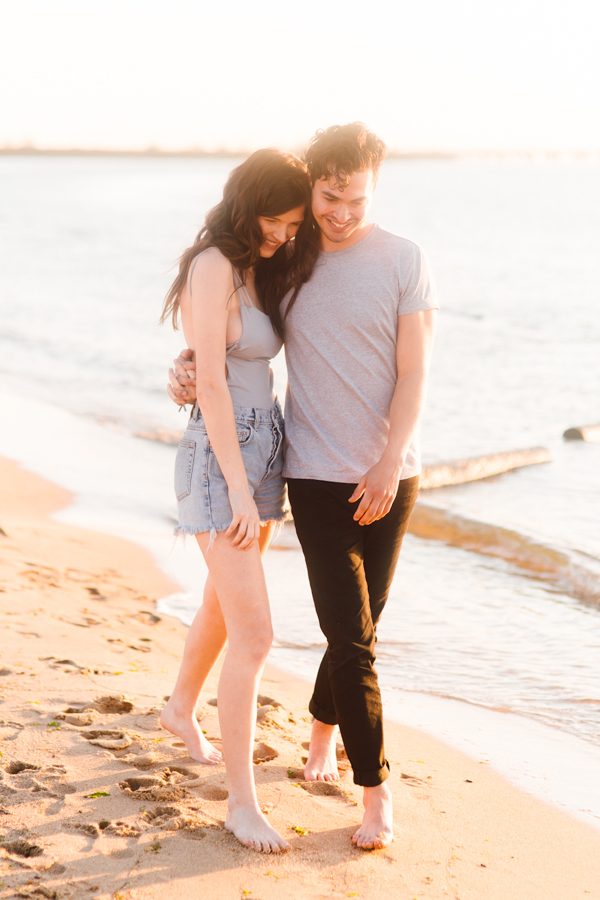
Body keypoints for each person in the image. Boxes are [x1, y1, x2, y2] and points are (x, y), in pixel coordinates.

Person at [169, 123, 438, 851]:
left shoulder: (381, 258)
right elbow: (220, 339)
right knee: (326, 636)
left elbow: (413, 369)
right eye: (326, 198)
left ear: (374, 188)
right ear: (312, 186)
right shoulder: (284, 254)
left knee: (336, 627)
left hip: (356, 471)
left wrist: (389, 461)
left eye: (354, 199)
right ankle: (366, 793)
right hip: (299, 471)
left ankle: (291, 726)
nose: (336, 214)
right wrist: (188, 373)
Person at [160, 148, 314, 853]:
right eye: (278, 219)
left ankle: (178, 708)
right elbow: (212, 385)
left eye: (293, 222)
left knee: (225, 606)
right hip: (226, 460)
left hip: (263, 448)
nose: (286, 233)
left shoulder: (259, 264)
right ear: (247, 205)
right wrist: (239, 491)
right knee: (257, 635)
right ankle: (241, 805)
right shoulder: (213, 265)